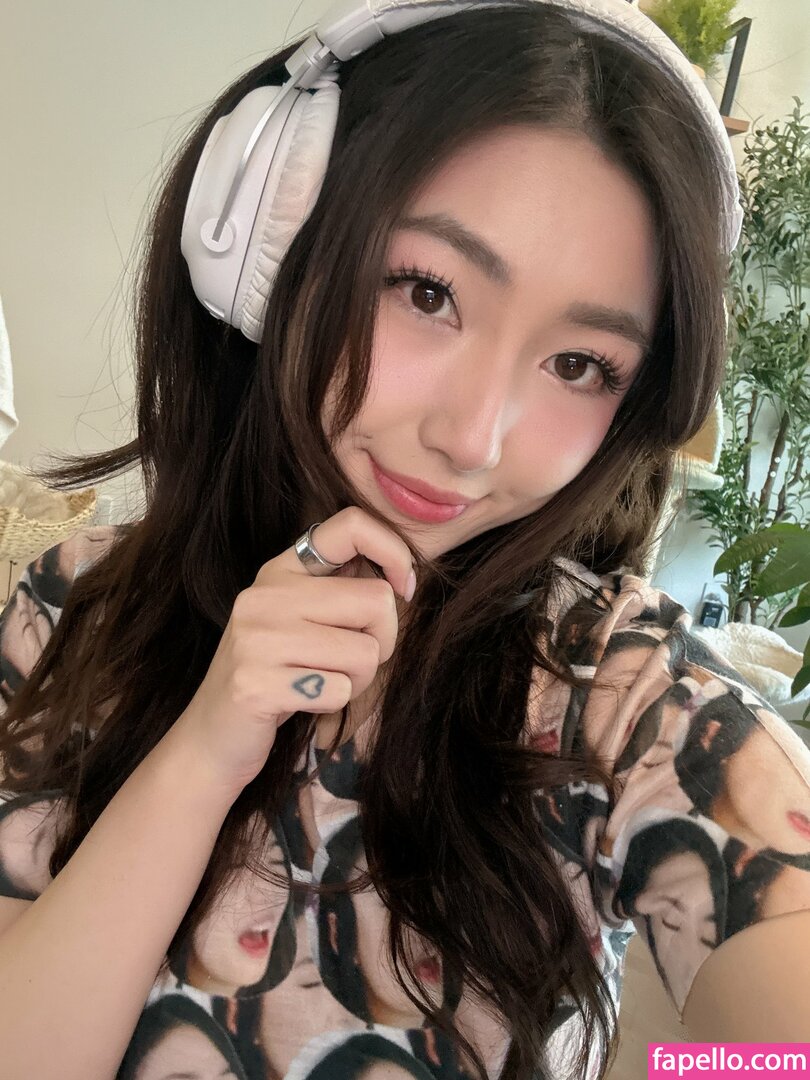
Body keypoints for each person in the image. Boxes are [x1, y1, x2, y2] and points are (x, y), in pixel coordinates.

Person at [0, 1, 808, 1079]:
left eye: (579, 365)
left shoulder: (618, 697)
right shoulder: (72, 606)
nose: (474, 439)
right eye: (428, 292)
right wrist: (202, 752)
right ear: (279, 247)